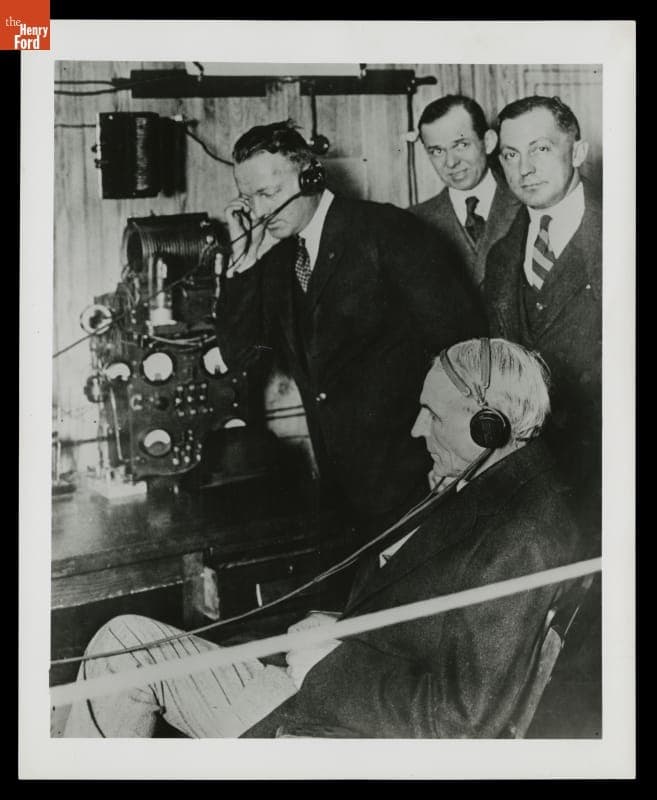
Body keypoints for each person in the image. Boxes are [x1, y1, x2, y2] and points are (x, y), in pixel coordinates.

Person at [63, 338, 583, 739]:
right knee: (122, 643)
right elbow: (433, 621)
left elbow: (465, 721)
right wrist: (337, 631)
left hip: (335, 730)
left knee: (120, 654)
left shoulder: (524, 537)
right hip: (334, 692)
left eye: (434, 415)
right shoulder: (496, 490)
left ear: (486, 427)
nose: (416, 430)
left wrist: (328, 662)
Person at [213, 120, 484, 534]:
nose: (260, 212)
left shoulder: (387, 231)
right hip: (342, 491)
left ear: (312, 177)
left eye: (268, 193)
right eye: (249, 199)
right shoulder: (275, 260)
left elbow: (463, 347)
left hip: (418, 478)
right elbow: (240, 355)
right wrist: (241, 259)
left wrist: (457, 460)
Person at [483, 96, 601, 548]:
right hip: (536, 489)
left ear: (578, 151)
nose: (524, 168)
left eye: (541, 149)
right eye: (511, 155)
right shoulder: (501, 257)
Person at [410, 95, 520, 291]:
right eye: (437, 151)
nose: (451, 162)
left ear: (488, 142)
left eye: (461, 145)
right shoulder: (414, 222)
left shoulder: (528, 203)